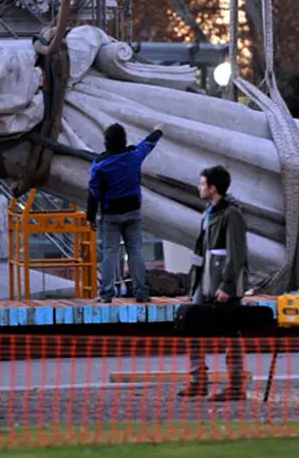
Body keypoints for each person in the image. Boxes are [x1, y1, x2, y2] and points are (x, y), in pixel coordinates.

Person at [179, 165, 248, 401]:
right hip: (205, 279)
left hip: (220, 281)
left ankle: (236, 385)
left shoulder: (231, 214)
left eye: (202, 183)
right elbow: (202, 249)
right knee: (192, 324)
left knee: (230, 331)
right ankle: (198, 380)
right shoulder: (209, 213)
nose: (199, 188)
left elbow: (236, 251)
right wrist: (194, 281)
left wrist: (227, 285)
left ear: (213, 188)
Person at [86, 123, 164, 303]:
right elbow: (148, 143)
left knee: (110, 252)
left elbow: (93, 192)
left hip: (111, 214)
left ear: (106, 142)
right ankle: (141, 292)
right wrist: (159, 130)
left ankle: (106, 294)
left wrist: (90, 217)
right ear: (124, 140)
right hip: (132, 211)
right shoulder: (133, 156)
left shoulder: (100, 165)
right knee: (135, 251)